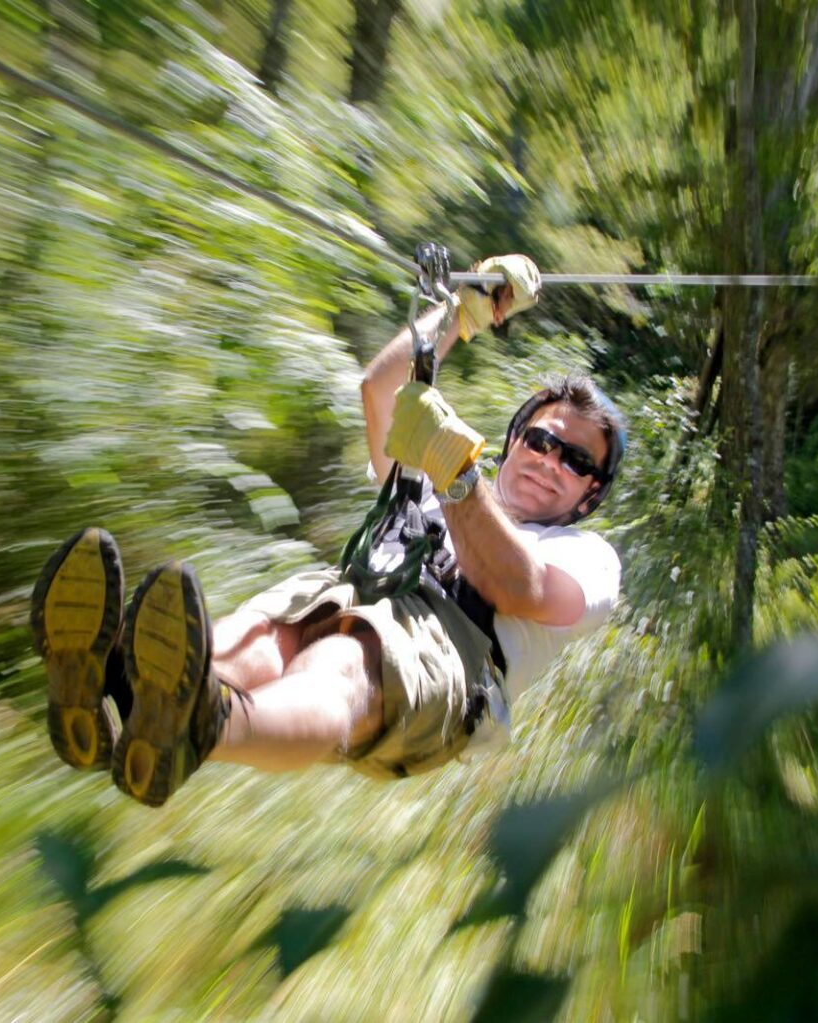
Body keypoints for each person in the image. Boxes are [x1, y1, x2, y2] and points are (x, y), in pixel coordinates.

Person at [31, 256, 625, 807]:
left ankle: (203, 726)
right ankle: (123, 690)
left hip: (447, 654)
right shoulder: (432, 484)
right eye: (542, 441)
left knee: (343, 658)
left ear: (591, 492)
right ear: (516, 440)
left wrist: (455, 470)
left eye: (576, 461)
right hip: (357, 587)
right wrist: (461, 311)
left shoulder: (588, 556)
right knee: (263, 637)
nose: (551, 462)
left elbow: (520, 588)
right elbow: (381, 390)